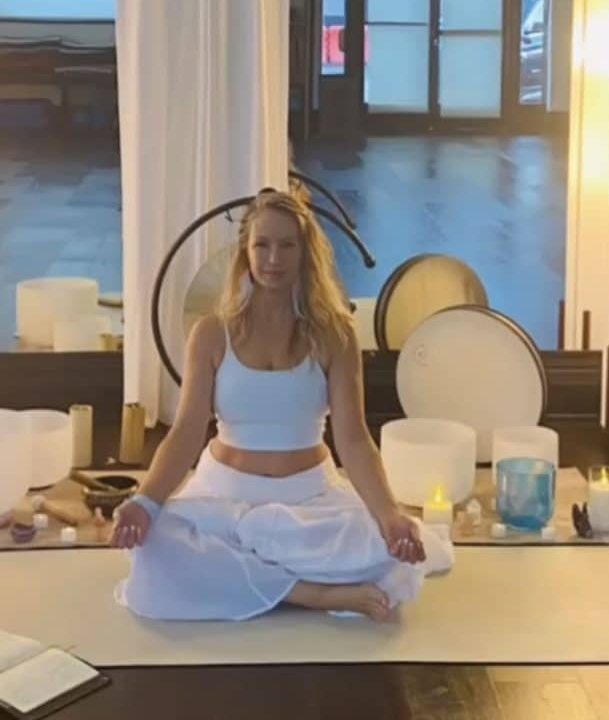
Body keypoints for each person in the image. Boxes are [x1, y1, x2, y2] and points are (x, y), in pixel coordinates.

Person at [110, 188, 453, 621]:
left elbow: (352, 437)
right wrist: (145, 503)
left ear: (305, 253)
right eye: (263, 245)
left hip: (308, 500)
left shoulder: (336, 335)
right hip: (224, 495)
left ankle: (258, 580)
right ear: (245, 252)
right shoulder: (212, 334)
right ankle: (313, 593)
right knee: (157, 549)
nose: (274, 258)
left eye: (287, 245)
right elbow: (185, 432)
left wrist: (388, 515)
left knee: (388, 552)